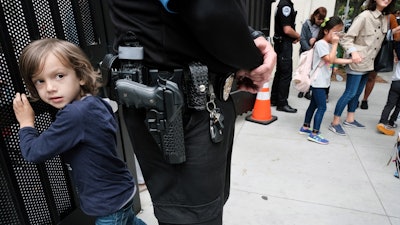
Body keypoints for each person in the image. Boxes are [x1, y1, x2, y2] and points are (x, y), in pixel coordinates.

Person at [108, 0, 277, 225]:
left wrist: (251, 36)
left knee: (200, 210)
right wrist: (254, 62)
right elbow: (210, 11)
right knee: (193, 214)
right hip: (177, 110)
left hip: (190, 104)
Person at [12, 38, 146, 225]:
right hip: (121, 188)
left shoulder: (75, 115)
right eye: (40, 81)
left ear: (80, 75)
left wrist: (26, 122)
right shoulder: (93, 102)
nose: (50, 88)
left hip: (108, 202)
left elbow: (33, 152)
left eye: (59, 76)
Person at [328, 0, 400, 136]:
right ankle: (335, 122)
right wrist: (354, 52)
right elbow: (347, 38)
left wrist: (393, 32)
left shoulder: (385, 18)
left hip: (369, 63)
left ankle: (350, 119)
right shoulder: (365, 16)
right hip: (357, 62)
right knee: (349, 93)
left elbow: (380, 39)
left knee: (357, 93)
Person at [299, 16, 353, 145]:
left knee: (313, 105)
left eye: (339, 32)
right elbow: (329, 59)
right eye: (335, 32)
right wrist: (335, 44)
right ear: (326, 31)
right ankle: (315, 133)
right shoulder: (322, 44)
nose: (337, 35)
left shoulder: (327, 44)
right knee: (322, 107)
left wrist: (351, 60)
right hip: (318, 81)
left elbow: (333, 60)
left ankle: (305, 127)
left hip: (323, 81)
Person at [360, 12, 400, 110]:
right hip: (365, 49)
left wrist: (395, 52)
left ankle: (365, 99)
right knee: (360, 75)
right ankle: (355, 98)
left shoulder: (390, 17)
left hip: (380, 51)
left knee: (371, 76)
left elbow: (396, 37)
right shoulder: (367, 14)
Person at [271, 0, 301, 113]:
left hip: (280, 43)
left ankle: (274, 99)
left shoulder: (282, 4)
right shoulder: (285, 5)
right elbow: (287, 29)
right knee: (286, 73)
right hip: (284, 45)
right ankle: (282, 103)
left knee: (280, 72)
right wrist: (298, 36)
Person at [298, 7, 327, 100]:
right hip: (306, 51)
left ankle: (308, 91)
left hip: (316, 53)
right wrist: (308, 50)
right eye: (319, 18)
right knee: (303, 71)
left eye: (322, 19)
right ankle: (301, 89)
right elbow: (302, 38)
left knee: (312, 72)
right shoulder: (307, 24)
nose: (320, 21)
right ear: (314, 16)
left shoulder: (323, 26)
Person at [376, 62, 400, 136]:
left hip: (396, 83)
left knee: (389, 104)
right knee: (398, 106)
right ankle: (391, 122)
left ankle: (382, 122)